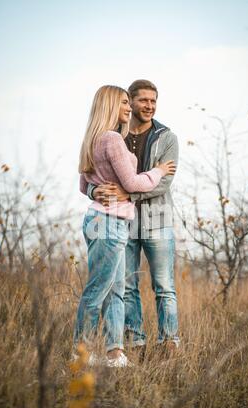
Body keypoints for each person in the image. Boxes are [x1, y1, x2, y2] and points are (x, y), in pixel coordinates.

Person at [75, 84, 176, 367]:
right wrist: (158, 171)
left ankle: (114, 353)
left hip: (110, 220)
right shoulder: (113, 139)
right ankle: (80, 353)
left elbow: (85, 185)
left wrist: (98, 191)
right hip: (108, 222)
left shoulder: (94, 138)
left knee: (117, 290)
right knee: (99, 290)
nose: (129, 108)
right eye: (124, 103)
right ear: (110, 105)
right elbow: (131, 183)